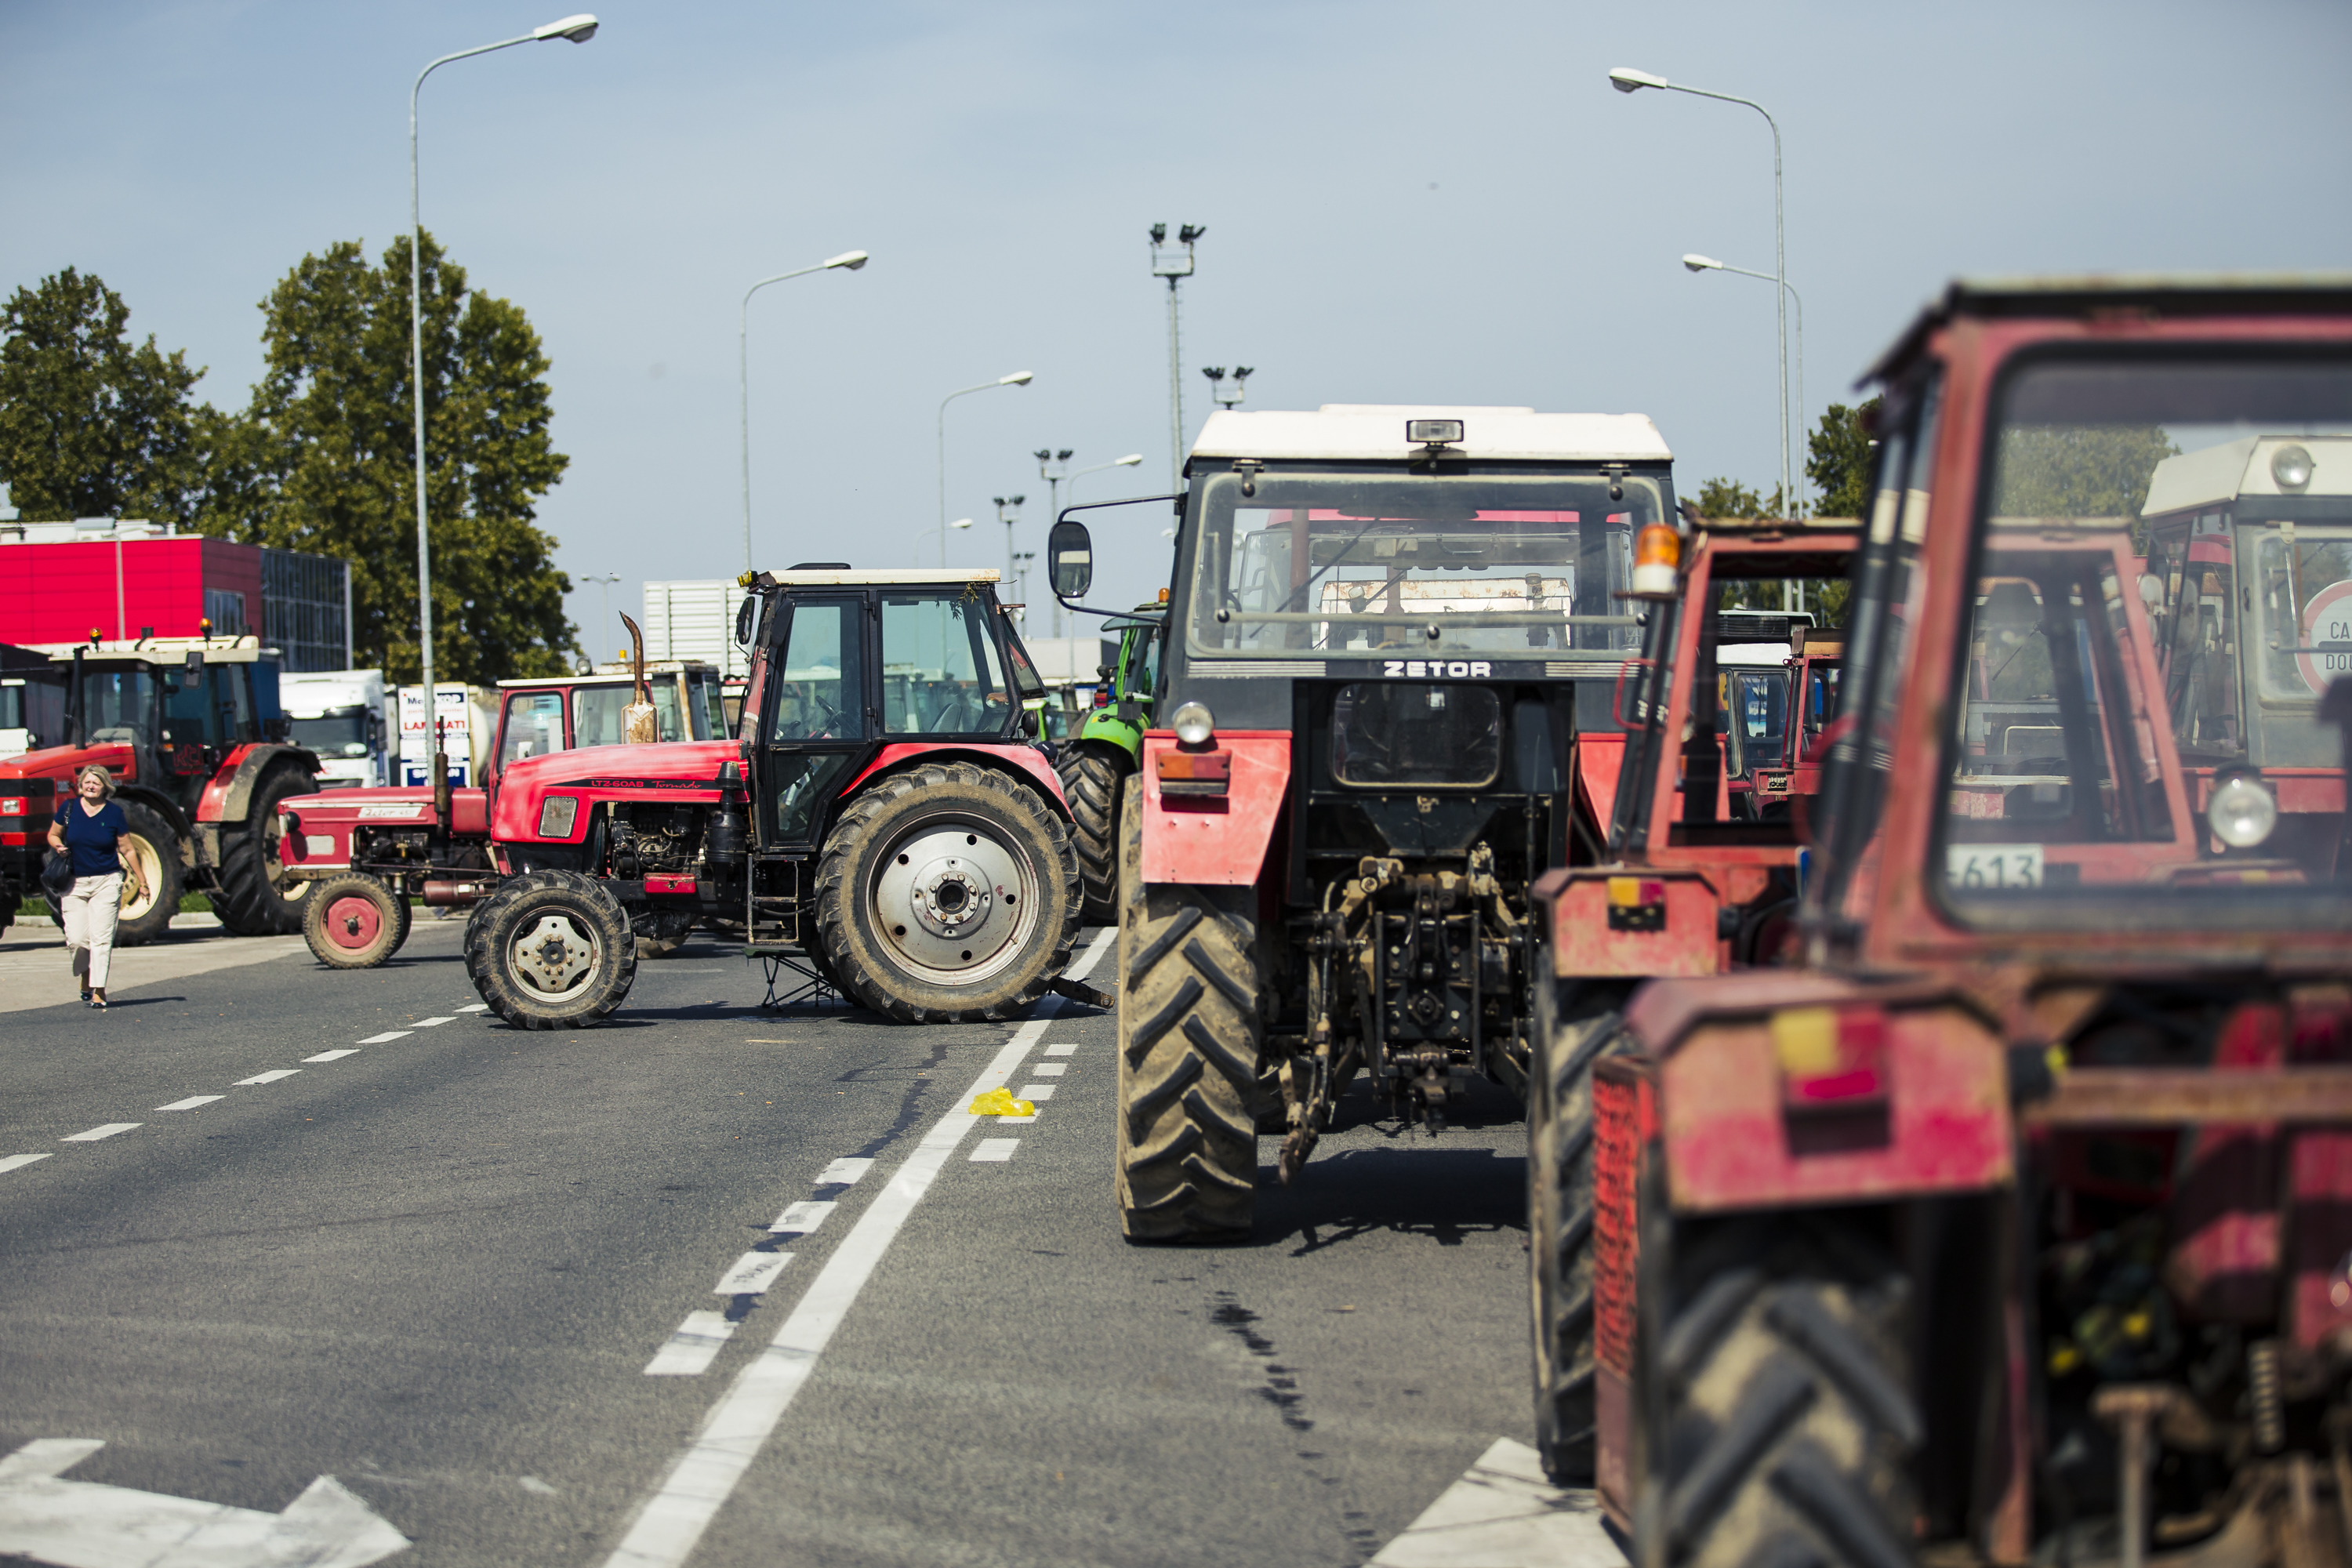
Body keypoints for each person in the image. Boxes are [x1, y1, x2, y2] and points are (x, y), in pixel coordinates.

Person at [45, 764, 149, 1010]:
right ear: (80, 785)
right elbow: (53, 834)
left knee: (101, 939)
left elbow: (127, 848)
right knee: (78, 939)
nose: (91, 786)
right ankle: (85, 975)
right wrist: (58, 845)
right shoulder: (69, 809)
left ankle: (99, 990)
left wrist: (142, 881)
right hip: (74, 883)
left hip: (107, 881)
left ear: (105, 787)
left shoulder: (114, 813)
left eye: (96, 782)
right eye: (87, 782)